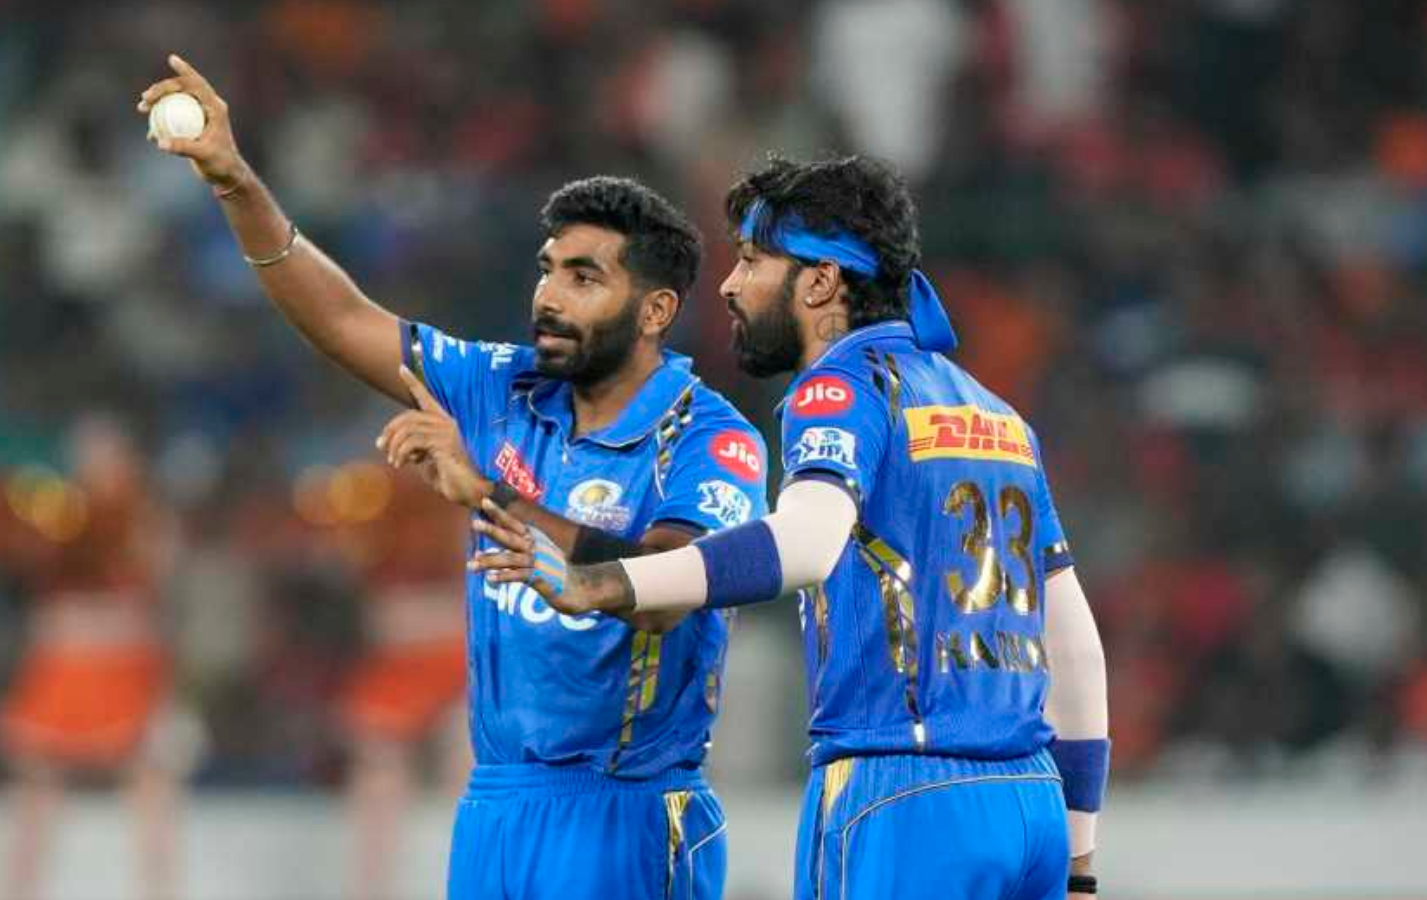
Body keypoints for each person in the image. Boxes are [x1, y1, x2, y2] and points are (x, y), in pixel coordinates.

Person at [138, 55, 768, 900]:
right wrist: (235, 181)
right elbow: (342, 318)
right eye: (547, 268)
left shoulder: (709, 438)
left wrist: (491, 495)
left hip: (627, 810)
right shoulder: (501, 386)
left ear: (654, 310)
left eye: (584, 278)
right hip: (497, 807)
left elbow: (670, 583)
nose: (548, 294)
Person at [474, 155, 1112, 900]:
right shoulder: (995, 413)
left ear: (819, 281)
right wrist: (1079, 860)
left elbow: (806, 544)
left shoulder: (841, 388)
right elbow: (1073, 637)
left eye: (751, 259)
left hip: (900, 796)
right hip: (1029, 800)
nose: (729, 284)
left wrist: (601, 582)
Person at [0, 418, 184, 900]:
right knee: (36, 793)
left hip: (124, 668)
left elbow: (156, 586)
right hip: (63, 668)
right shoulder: (57, 516)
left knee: (150, 785)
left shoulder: (146, 518)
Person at [330, 469, 469, 900]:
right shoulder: (381, 510)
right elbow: (381, 616)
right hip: (401, 674)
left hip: (465, 673)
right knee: (378, 767)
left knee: (472, 757)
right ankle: (371, 889)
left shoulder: (476, 503)